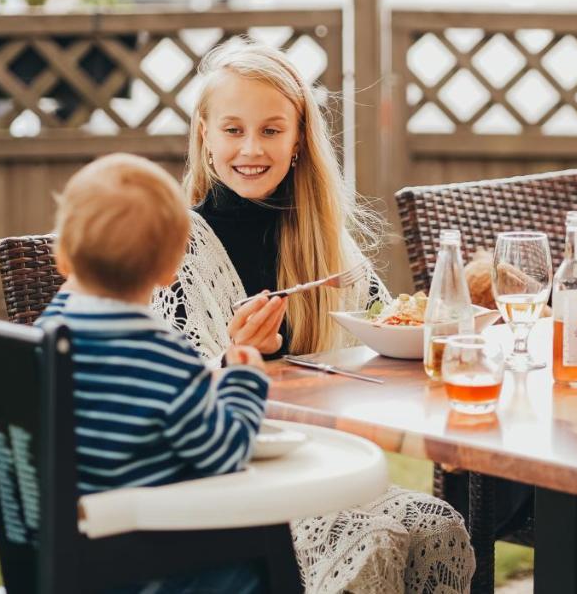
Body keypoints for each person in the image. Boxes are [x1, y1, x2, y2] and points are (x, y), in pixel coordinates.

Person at [151, 37, 475, 594]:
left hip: (327, 464)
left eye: (272, 130)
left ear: (299, 138)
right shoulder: (175, 251)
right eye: (233, 129)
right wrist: (236, 360)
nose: (251, 147)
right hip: (225, 484)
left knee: (438, 522)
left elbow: (384, 331)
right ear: (204, 134)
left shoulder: (326, 244)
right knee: (372, 537)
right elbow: (165, 398)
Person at [39, 153, 270, 594]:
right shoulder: (165, 360)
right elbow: (224, 453)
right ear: (169, 271)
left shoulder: (44, 335)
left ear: (63, 256)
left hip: (65, 561)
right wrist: (245, 382)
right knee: (262, 565)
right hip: (149, 568)